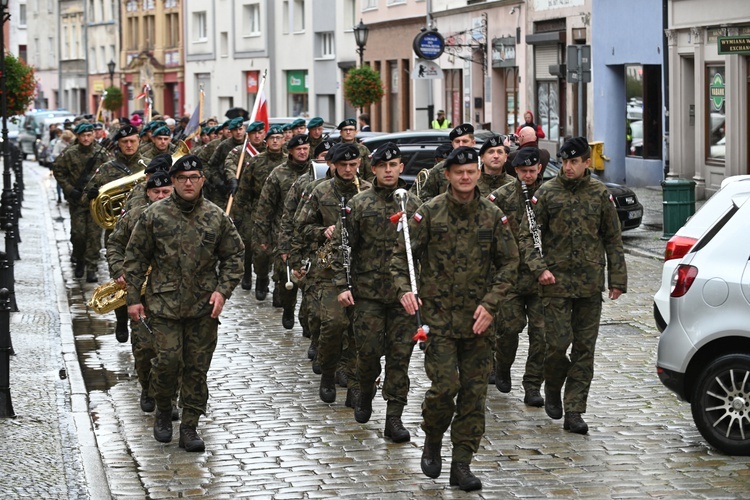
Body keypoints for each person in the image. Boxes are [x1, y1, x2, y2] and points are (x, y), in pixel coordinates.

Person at [391, 146, 518, 491]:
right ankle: (433, 435)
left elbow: (510, 264)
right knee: (445, 388)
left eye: (471, 172)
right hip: (439, 321)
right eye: (458, 172)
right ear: (446, 175)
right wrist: (405, 288)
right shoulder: (429, 214)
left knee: (475, 395)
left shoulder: (493, 216)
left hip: (479, 323)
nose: (465, 177)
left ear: (478, 173)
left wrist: (491, 304)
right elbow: (401, 256)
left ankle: (462, 463)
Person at [124, 154, 244, 452]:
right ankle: (164, 411)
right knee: (167, 362)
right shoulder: (154, 215)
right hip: (163, 306)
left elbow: (235, 256)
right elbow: (135, 258)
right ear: (174, 181)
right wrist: (133, 300)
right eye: (182, 178)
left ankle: (190, 426)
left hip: (203, 306)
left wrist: (222, 290)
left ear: (203, 180)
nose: (188, 183)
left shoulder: (216, 216)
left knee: (196, 368)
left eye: (194, 178)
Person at [519, 136, 627, 435]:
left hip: (589, 285)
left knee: (584, 350)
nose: (568, 167)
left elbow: (612, 239)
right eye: (564, 161)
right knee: (555, 345)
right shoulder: (547, 193)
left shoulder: (599, 193)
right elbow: (527, 235)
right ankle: (552, 386)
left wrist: (617, 280)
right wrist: (539, 269)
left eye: (574, 161)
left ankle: (575, 410)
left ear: (586, 162)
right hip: (555, 285)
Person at [333, 143, 419, 442]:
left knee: (400, 357)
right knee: (368, 355)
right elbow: (343, 249)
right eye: (383, 166)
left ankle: (394, 417)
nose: (388, 170)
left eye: (394, 165)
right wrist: (342, 286)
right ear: (374, 169)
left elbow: (423, 252)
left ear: (400, 168)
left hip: (402, 298)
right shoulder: (359, 204)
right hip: (367, 294)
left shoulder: (412, 205)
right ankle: (366, 391)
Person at [293, 143, 371, 404]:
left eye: (353, 165)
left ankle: (353, 380)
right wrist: (322, 231)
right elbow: (301, 226)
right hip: (328, 269)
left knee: (358, 330)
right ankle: (328, 370)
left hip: (360, 270)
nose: (349, 170)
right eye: (343, 165)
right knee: (333, 325)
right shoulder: (320, 190)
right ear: (332, 166)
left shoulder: (368, 191)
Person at [106, 171, 173, 411]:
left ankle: (168, 399)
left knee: (172, 353)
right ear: (148, 192)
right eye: (156, 192)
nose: (161, 196)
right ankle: (147, 386)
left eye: (166, 192)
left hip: (175, 297)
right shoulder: (135, 216)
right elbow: (114, 243)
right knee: (145, 349)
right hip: (142, 295)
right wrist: (118, 270)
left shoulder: (186, 216)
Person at [487, 147, 546, 406]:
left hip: (541, 277)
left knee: (542, 334)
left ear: (539, 170)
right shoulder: (500, 197)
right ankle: (502, 365)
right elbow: (485, 232)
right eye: (523, 171)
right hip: (510, 277)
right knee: (509, 329)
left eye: (532, 171)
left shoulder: (549, 195)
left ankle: (533, 385)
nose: (528, 175)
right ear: (516, 171)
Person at [253, 134, 312, 328]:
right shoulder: (278, 174)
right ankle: (288, 308)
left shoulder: (317, 173)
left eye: (305, 148)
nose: (303, 152)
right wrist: (262, 236)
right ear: (291, 152)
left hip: (310, 235)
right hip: (283, 234)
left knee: (312, 282)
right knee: (286, 279)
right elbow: (265, 207)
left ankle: (308, 321)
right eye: (299, 149)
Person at [53, 122, 113, 282]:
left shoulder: (102, 153)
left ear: (93, 135)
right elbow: (58, 170)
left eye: (89, 135)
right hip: (78, 201)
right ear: (78, 136)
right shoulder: (70, 153)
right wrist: (69, 189)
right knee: (78, 234)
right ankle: (79, 258)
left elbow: (111, 172)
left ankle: (91, 267)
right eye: (83, 136)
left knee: (94, 237)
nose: (86, 138)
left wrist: (101, 190)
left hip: (95, 202)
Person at [231, 126, 286, 295]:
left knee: (281, 250)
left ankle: (279, 286)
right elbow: (244, 191)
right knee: (258, 250)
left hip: (283, 213)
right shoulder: (255, 162)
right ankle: (261, 276)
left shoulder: (288, 162)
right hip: (256, 212)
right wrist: (237, 215)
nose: (275, 141)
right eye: (272, 138)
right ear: (266, 141)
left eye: (278, 137)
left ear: (284, 140)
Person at [412, 123, 476, 203]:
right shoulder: (440, 168)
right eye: (457, 141)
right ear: (452, 144)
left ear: (473, 142)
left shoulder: (482, 166)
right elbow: (424, 197)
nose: (461, 145)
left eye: (465, 141)